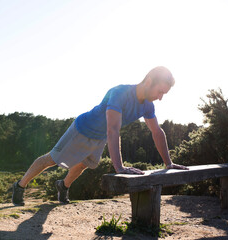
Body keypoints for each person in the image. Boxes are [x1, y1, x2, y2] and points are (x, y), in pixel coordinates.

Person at [12, 66, 188, 206]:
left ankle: (63, 186)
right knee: (51, 159)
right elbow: (113, 129)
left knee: (84, 164)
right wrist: (119, 167)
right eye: (160, 92)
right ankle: (20, 186)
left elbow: (156, 132)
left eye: (164, 94)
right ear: (149, 81)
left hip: (101, 137)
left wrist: (169, 163)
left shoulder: (148, 106)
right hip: (82, 129)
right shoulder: (120, 93)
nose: (160, 97)